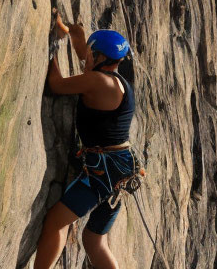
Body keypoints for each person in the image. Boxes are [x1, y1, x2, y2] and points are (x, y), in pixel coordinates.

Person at [33, 15, 136, 269]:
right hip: (121, 170)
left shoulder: (97, 81)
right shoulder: (118, 82)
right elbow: (87, 60)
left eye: (91, 53)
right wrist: (74, 34)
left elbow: (56, 85)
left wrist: (52, 47)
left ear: (100, 57)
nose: (86, 56)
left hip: (103, 171)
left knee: (57, 222)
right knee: (94, 240)